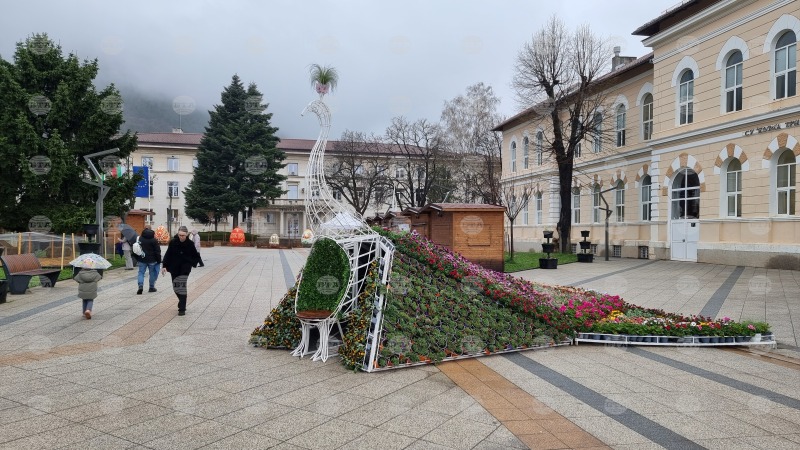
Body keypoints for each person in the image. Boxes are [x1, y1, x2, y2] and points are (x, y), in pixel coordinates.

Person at [162, 226, 200, 316]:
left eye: (183, 235)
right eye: (180, 235)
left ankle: (182, 308)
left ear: (186, 234)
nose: (181, 237)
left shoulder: (190, 244)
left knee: (182, 287)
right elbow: (168, 254)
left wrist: (191, 263)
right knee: (176, 287)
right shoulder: (173, 242)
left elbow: (196, 256)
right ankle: (181, 301)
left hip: (184, 269)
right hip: (174, 267)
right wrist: (164, 265)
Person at [135, 225, 162, 295]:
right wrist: (159, 260)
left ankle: (140, 286)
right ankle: (151, 287)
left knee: (141, 273)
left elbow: (137, 248)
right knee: (152, 273)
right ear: (151, 230)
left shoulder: (140, 238)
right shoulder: (154, 240)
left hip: (142, 259)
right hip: (152, 260)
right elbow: (157, 251)